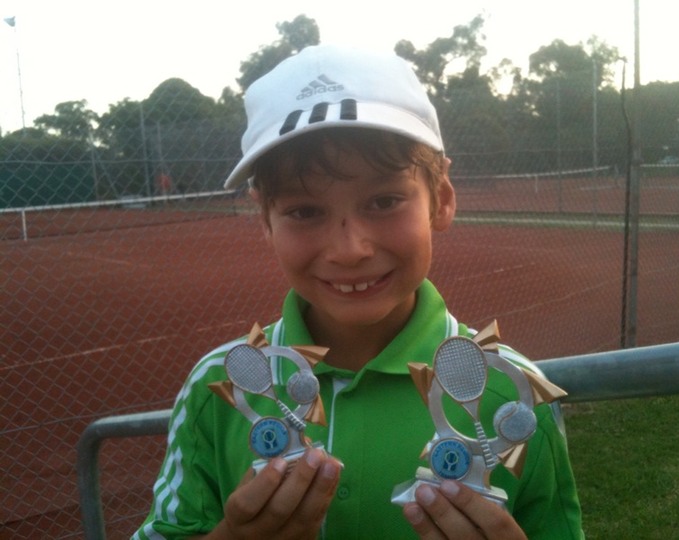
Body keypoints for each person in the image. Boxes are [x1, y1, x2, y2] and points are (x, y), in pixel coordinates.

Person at [133, 44, 583, 540]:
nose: (349, 250)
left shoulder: (515, 393)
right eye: (305, 212)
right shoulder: (216, 387)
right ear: (265, 221)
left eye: (384, 201)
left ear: (442, 199)